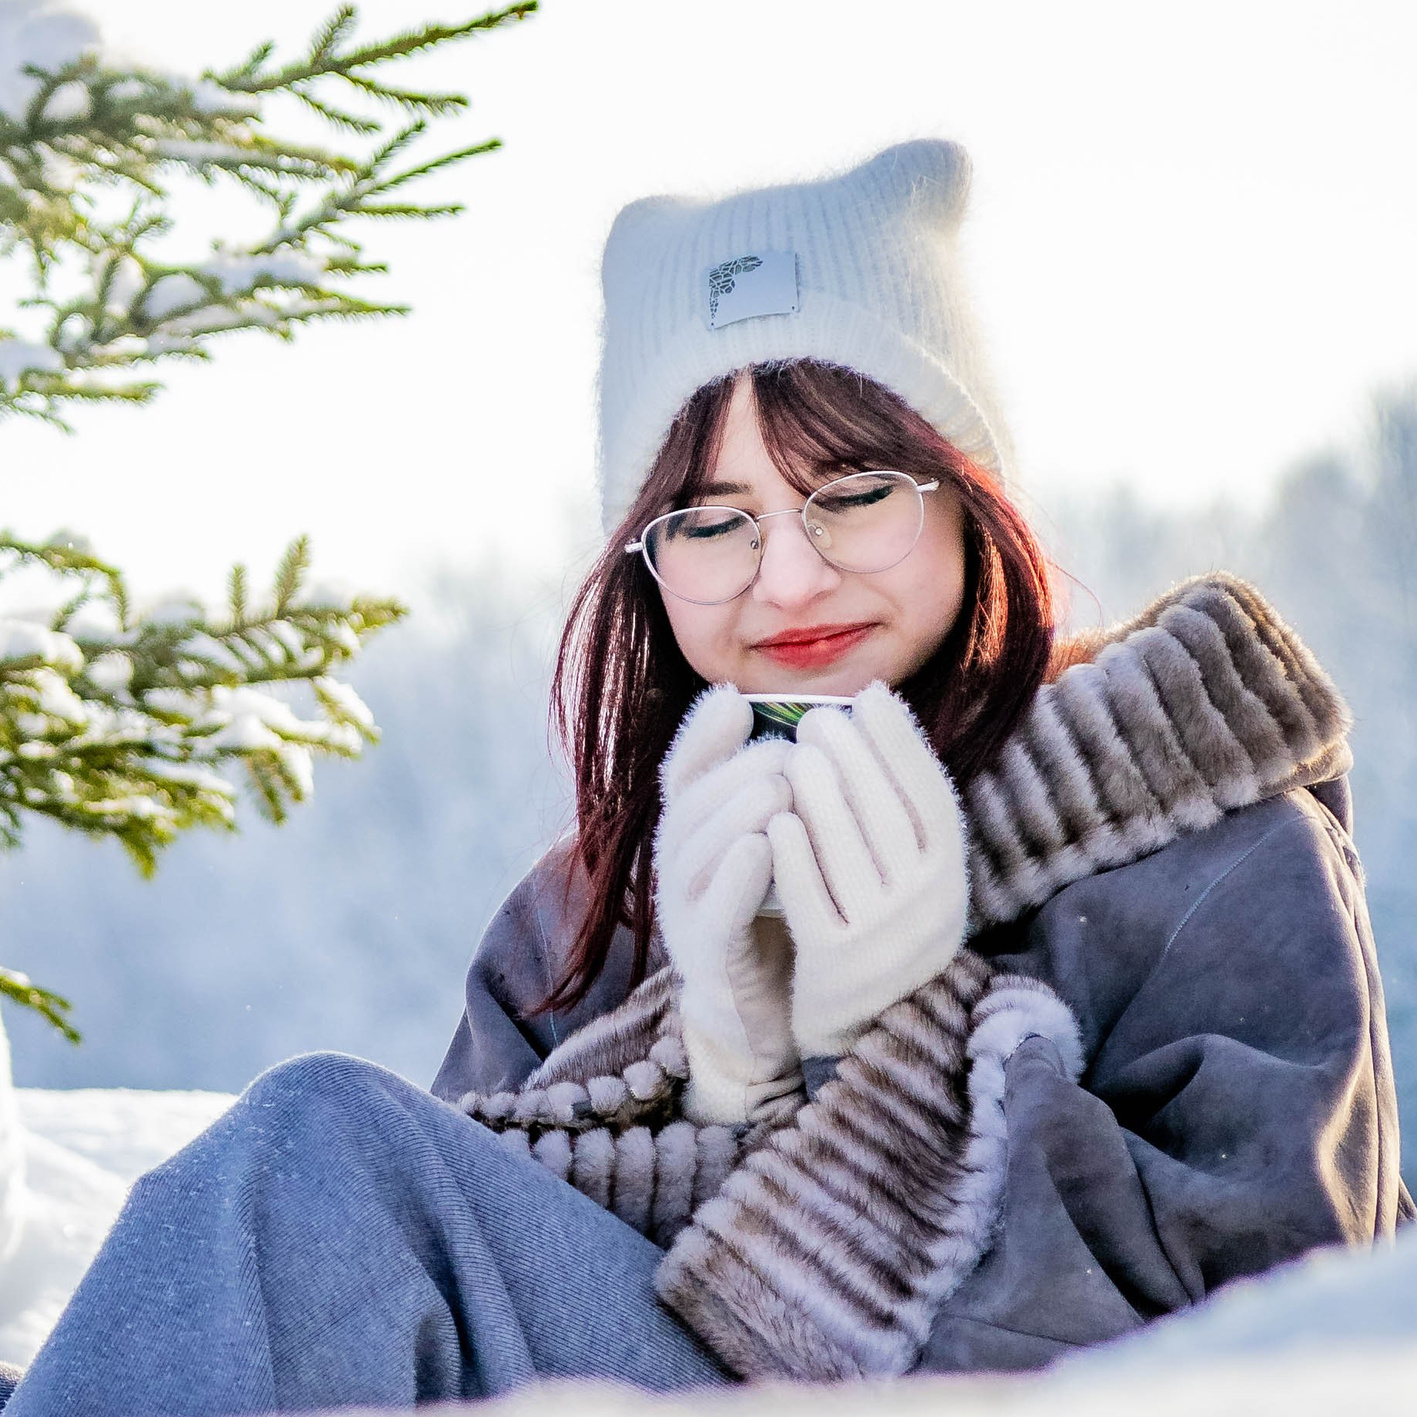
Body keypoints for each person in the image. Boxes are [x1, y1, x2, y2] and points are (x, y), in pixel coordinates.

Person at [4, 139, 1408, 1416]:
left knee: (316, 1161)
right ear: (645, 560)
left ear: (975, 498)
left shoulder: (1215, 850)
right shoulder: (582, 917)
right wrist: (721, 1077)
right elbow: (415, 1295)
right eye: (709, 518)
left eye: (853, 491)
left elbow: (1259, 1348)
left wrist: (887, 1049)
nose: (784, 573)